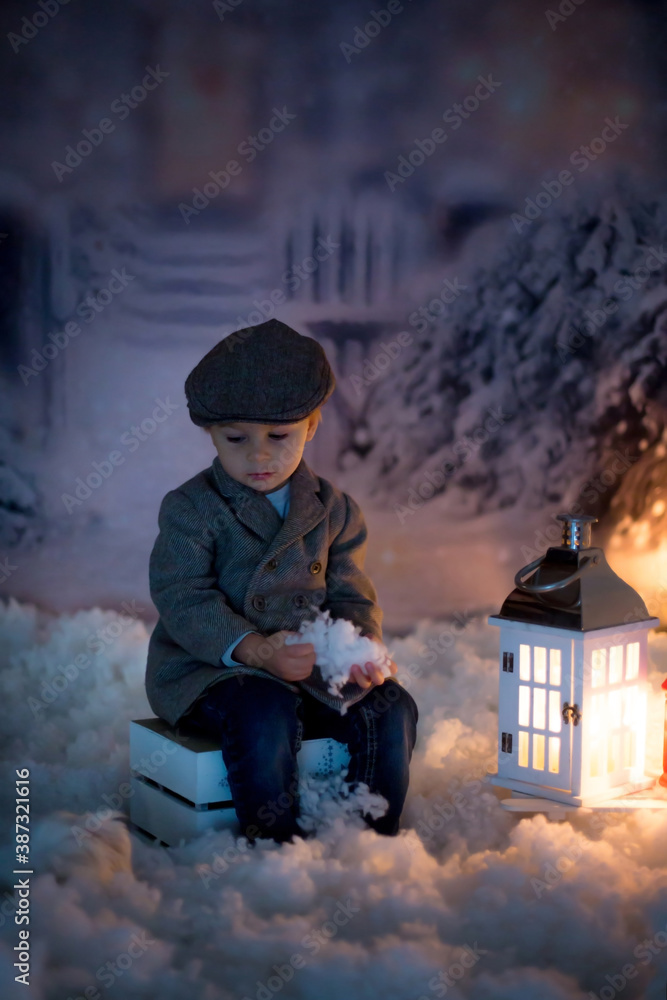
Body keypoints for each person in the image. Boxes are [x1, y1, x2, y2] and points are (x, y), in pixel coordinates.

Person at [145, 319, 418, 844]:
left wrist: (358, 647)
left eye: (279, 436)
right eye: (236, 438)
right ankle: (274, 844)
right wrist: (253, 649)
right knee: (262, 710)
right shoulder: (192, 509)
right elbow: (183, 596)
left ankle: (369, 837)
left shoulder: (334, 510)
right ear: (210, 433)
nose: (259, 455)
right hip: (214, 670)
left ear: (311, 427)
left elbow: (348, 593)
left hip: (311, 668)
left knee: (391, 706)